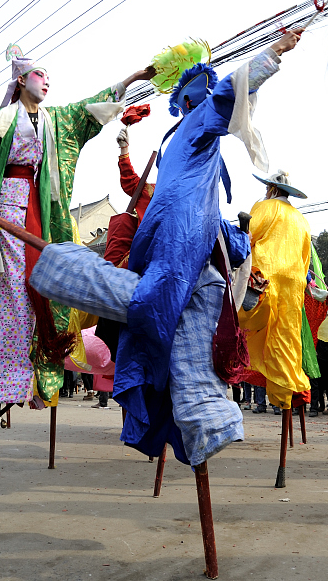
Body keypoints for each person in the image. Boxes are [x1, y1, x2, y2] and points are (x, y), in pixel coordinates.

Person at [112, 29, 303, 465]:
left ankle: (195, 415)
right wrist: (271, 53)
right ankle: (203, 417)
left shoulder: (183, 136)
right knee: (177, 319)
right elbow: (229, 93)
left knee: (172, 321)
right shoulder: (194, 126)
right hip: (181, 243)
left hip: (183, 242)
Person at [0, 44, 155, 406]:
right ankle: (8, 382)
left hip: (42, 210)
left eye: (49, 79)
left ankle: (41, 374)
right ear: (21, 79)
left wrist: (135, 77)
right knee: (13, 288)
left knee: (46, 283)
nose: (47, 83)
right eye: (41, 76)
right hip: (8, 209)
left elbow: (91, 108)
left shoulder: (54, 120)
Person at [238, 171, 314, 415]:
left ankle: (269, 387)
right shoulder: (302, 219)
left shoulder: (264, 207)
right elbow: (305, 260)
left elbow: (247, 238)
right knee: (287, 338)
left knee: (245, 323)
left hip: (265, 277)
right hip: (293, 285)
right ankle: (287, 394)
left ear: (271, 188)